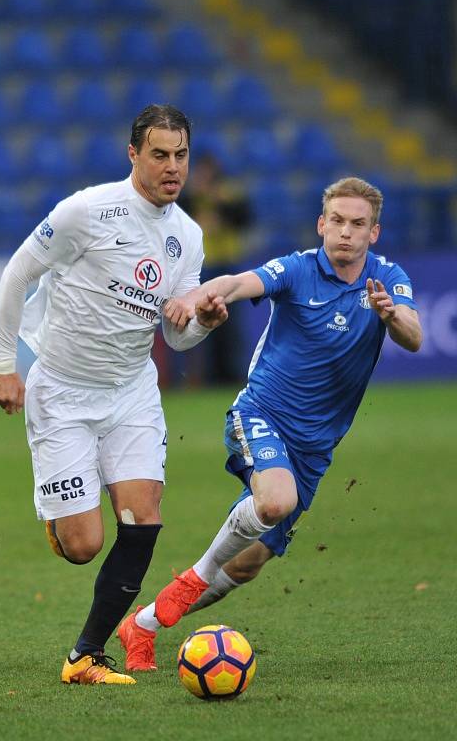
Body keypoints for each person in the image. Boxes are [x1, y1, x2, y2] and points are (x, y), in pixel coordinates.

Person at [117, 175, 423, 671]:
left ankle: (143, 624)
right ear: (322, 224)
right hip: (261, 414)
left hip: (315, 448)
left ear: (374, 233)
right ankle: (192, 579)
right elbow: (237, 283)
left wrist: (391, 315)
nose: (346, 232)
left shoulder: (388, 279)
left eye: (358, 224)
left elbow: (413, 335)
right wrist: (195, 300)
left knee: (248, 561)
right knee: (276, 501)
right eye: (338, 222)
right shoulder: (297, 270)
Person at [0, 104, 227, 685]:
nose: (173, 168)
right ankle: (63, 522)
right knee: (83, 545)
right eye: (160, 155)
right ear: (133, 155)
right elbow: (18, 272)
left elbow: (177, 333)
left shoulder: (187, 236)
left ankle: (86, 655)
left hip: (131, 393)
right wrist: (2, 366)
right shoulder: (87, 212)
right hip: (63, 392)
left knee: (143, 520)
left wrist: (202, 321)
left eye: (182, 156)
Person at [179, 153, 252, 384]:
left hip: (227, 263)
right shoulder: (187, 198)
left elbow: (245, 219)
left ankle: (232, 374)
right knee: (203, 322)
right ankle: (208, 376)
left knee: (230, 325)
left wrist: (219, 207)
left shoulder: (228, 195)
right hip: (202, 265)